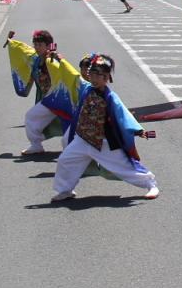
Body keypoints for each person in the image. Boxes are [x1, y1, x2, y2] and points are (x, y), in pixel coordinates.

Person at [51, 54, 159, 202]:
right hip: (82, 138)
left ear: (107, 77)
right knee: (65, 160)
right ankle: (65, 190)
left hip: (104, 142)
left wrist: (139, 130)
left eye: (98, 75)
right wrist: (61, 60)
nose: (94, 78)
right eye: (92, 74)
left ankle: (150, 184)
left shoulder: (110, 97)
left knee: (124, 166)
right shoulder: (86, 89)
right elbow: (73, 75)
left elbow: (123, 114)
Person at [7, 30, 65, 155]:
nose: (37, 48)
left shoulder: (53, 58)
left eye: (40, 45)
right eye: (35, 45)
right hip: (48, 100)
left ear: (48, 46)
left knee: (74, 124)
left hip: (60, 98)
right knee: (31, 117)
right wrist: (11, 42)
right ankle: (36, 145)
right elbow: (24, 51)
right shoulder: (37, 59)